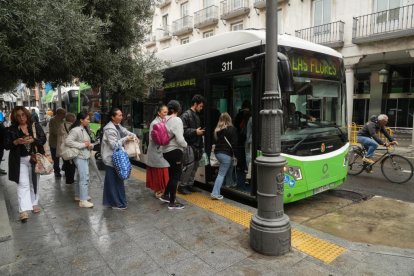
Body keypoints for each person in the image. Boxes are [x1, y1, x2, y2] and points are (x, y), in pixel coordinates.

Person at [4, 106, 46, 222]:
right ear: (15, 117)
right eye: (18, 116)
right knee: (23, 184)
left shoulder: (34, 126)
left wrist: (34, 140)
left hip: (34, 158)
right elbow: (6, 145)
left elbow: (43, 139)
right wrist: (15, 142)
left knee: (34, 182)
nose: (21, 117)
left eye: (23, 115)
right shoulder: (11, 129)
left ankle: (34, 203)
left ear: (26, 114)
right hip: (19, 160)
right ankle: (23, 210)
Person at [101, 107, 137, 210]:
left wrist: (134, 136)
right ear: (113, 117)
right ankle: (116, 203)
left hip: (117, 158)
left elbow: (126, 132)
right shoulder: (109, 129)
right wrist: (126, 138)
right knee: (113, 182)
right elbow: (114, 145)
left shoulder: (118, 125)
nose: (122, 117)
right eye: (119, 115)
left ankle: (116, 201)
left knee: (117, 180)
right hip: (111, 159)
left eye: (122, 115)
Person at [160, 100, 187, 210]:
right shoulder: (177, 120)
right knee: (175, 176)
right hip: (175, 151)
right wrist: (186, 145)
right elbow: (180, 139)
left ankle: (166, 195)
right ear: (178, 109)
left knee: (171, 175)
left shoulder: (164, 119)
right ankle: (172, 202)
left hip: (165, 151)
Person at [66, 111, 94, 208]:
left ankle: (79, 195)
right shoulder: (76, 130)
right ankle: (83, 200)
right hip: (80, 156)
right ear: (81, 120)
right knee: (84, 177)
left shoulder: (83, 129)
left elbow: (85, 142)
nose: (89, 121)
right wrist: (83, 145)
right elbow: (68, 142)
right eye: (87, 119)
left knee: (80, 176)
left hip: (83, 155)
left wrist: (89, 145)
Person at [179, 94, 205, 195]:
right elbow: (183, 131)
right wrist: (195, 132)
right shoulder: (185, 115)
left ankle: (189, 184)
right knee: (189, 167)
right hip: (189, 146)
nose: (201, 108)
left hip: (197, 145)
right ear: (195, 104)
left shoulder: (196, 115)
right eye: (200, 106)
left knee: (194, 167)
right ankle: (182, 186)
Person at [211, 113, 238, 200]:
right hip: (226, 154)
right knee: (221, 174)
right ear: (229, 119)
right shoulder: (232, 129)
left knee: (229, 166)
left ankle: (229, 183)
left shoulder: (217, 130)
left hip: (218, 153)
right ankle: (215, 193)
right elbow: (234, 144)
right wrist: (237, 155)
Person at [146, 104, 170, 198]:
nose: (166, 114)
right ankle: (159, 190)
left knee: (162, 170)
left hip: (161, 150)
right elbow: (154, 138)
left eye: (167, 112)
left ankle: (163, 189)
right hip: (156, 150)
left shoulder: (164, 120)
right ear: (159, 113)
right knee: (159, 170)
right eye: (164, 112)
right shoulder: (154, 123)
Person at [57, 112, 76, 184]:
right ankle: (70, 180)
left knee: (66, 163)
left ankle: (68, 179)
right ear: (72, 119)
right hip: (70, 148)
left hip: (63, 148)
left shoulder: (61, 125)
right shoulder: (73, 127)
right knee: (71, 165)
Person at [48, 107, 66, 178]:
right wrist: (63, 133)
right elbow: (54, 131)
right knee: (56, 159)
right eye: (63, 113)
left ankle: (64, 168)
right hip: (54, 143)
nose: (65, 115)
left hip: (62, 143)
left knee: (65, 156)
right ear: (59, 114)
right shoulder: (53, 120)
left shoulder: (63, 120)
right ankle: (57, 172)